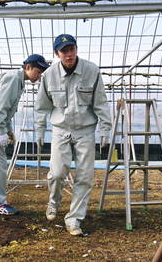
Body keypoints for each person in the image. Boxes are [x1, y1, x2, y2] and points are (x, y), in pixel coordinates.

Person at [35, 34, 112, 235]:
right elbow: (42, 107)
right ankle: (53, 201)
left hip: (85, 130)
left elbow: (101, 103)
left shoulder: (91, 71)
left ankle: (74, 219)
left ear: (76, 49)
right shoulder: (49, 75)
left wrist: (105, 128)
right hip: (61, 130)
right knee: (58, 172)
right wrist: (40, 130)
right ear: (57, 54)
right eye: (64, 51)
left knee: (85, 177)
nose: (69, 54)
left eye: (71, 49)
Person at [0, 54, 49, 215]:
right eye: (38, 71)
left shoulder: (17, 79)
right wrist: (1, 131)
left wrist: (8, 131)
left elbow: (5, 108)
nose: (40, 75)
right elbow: (0, 108)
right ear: (28, 67)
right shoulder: (14, 78)